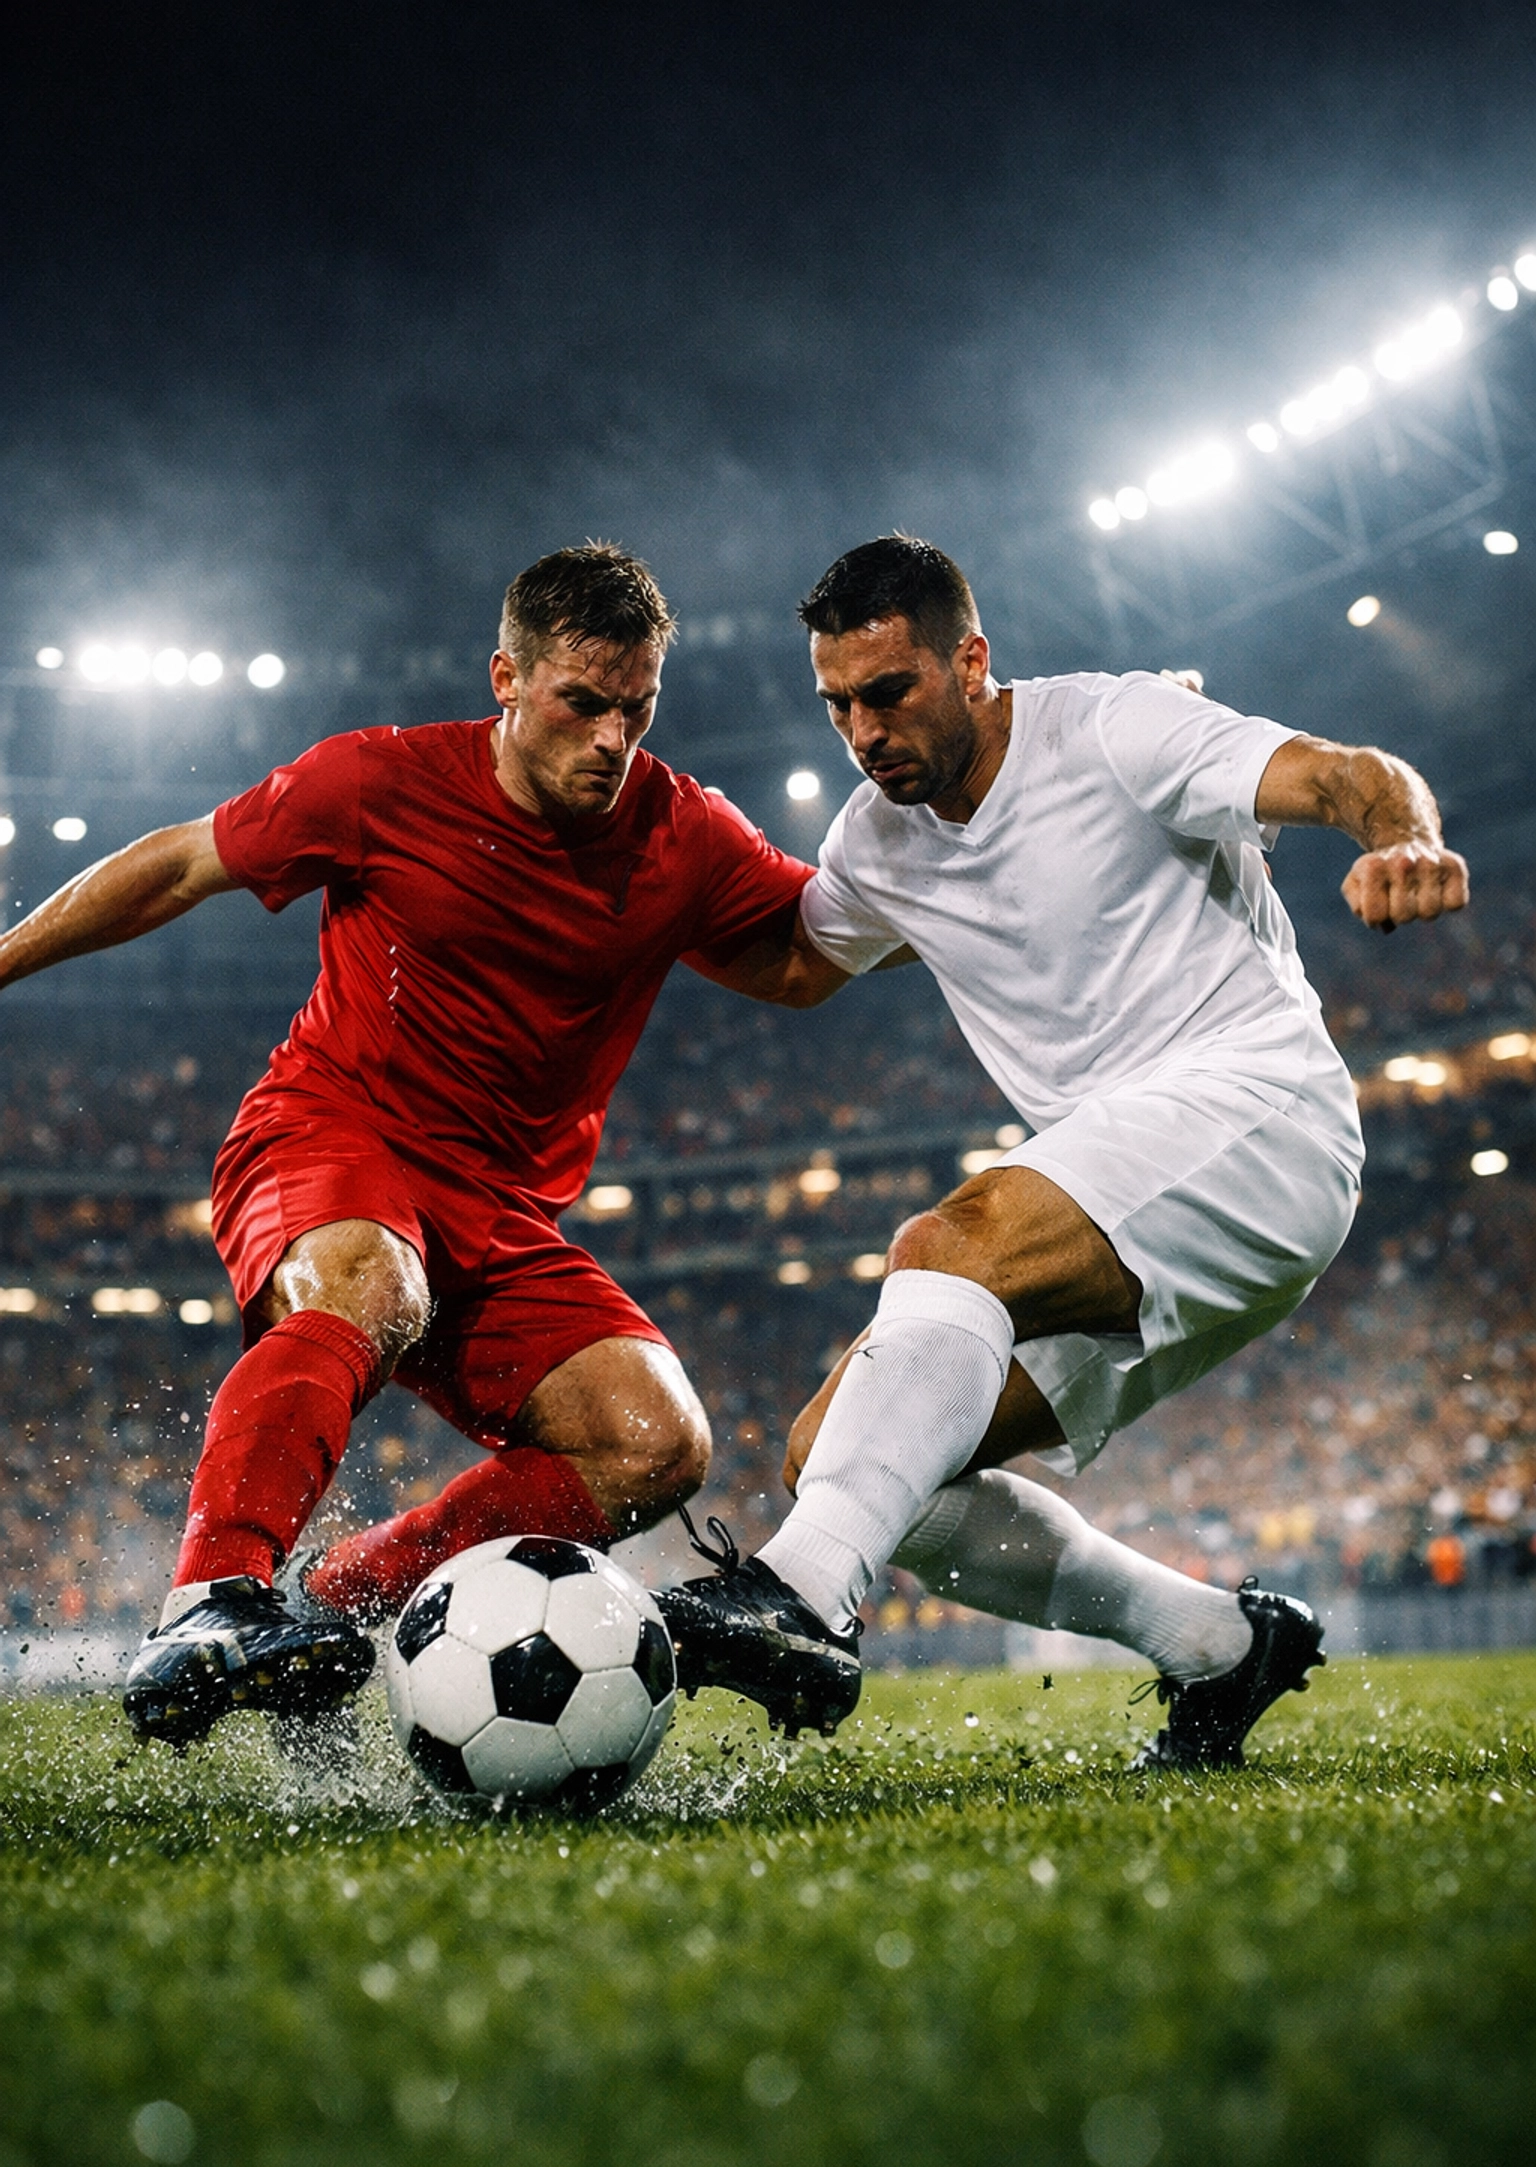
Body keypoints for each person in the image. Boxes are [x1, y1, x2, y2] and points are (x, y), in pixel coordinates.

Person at [0, 544, 857, 1745]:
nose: (612, 739)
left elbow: (806, 957)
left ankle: (345, 1609)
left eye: (636, 707)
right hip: (333, 1130)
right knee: (369, 1280)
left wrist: (981, 881)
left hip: (500, 1211)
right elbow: (179, 867)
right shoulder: (379, 781)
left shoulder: (683, 834)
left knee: (654, 1442)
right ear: (505, 679)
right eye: (581, 703)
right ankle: (210, 1600)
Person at [659, 534, 1469, 1767]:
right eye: (839, 707)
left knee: (950, 1246)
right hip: (1126, 1192)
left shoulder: (1113, 730)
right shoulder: (876, 843)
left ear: (971, 662)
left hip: (1263, 1119)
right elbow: (791, 963)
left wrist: (1398, 836)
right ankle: (1216, 1645)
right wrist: (620, 890)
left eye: (891, 693)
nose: (864, 734)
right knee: (851, 1458)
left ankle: (804, 1598)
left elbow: (1347, 773)